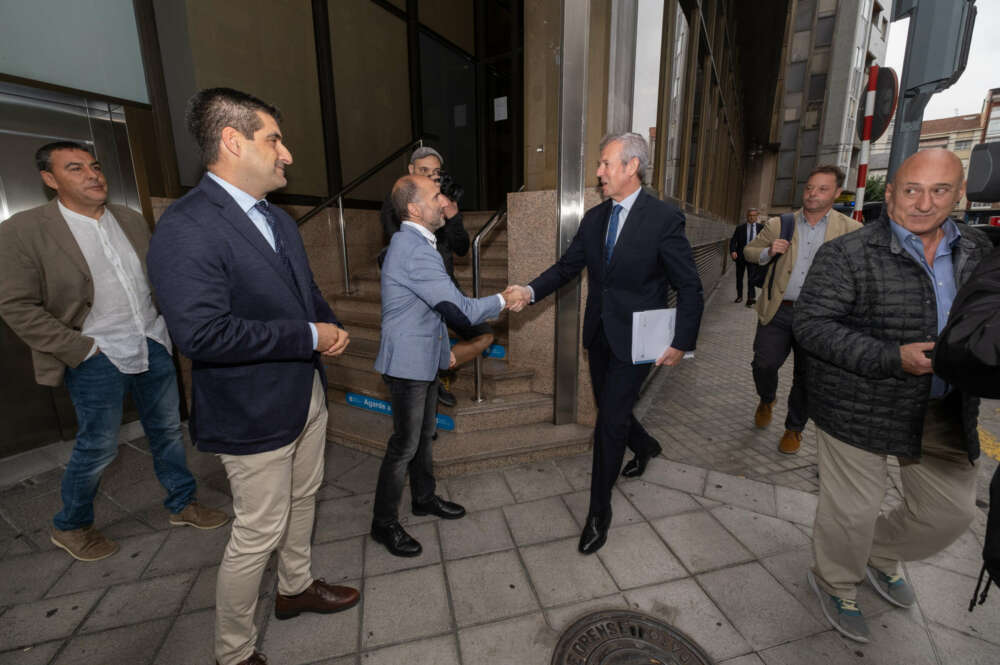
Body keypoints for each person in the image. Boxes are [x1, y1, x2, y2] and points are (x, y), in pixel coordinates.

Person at [147, 88, 359, 665]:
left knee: (305, 498)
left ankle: (294, 590)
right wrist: (307, 336)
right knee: (257, 532)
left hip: (305, 394)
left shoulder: (277, 219)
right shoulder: (187, 227)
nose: (286, 153)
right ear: (232, 141)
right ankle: (234, 653)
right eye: (274, 139)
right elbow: (202, 337)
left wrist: (329, 325)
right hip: (251, 411)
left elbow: (304, 293)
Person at [793, 149, 992, 643]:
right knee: (851, 511)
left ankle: (877, 552)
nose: (924, 203)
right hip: (857, 403)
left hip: (944, 405)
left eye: (939, 190)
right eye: (911, 190)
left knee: (951, 514)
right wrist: (891, 356)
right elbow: (813, 326)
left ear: (959, 194)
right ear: (893, 190)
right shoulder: (848, 253)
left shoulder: (980, 250)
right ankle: (836, 578)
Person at [0, 141, 227, 563]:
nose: (93, 174)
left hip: (152, 341)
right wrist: (78, 349)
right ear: (50, 180)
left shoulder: (130, 219)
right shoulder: (24, 229)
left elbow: (156, 279)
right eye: (75, 168)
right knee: (99, 445)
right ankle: (71, 525)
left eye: (95, 166)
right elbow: (14, 305)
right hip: (94, 355)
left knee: (167, 432)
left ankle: (182, 503)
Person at [505, 132, 703, 554]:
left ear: (632, 167)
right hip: (598, 335)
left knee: (609, 422)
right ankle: (646, 445)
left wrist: (681, 341)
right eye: (600, 164)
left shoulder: (663, 219)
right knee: (612, 408)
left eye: (605, 164)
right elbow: (566, 267)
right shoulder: (595, 219)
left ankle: (599, 512)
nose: (599, 172)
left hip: (638, 340)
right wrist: (529, 290)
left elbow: (689, 286)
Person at [371, 174, 506, 557]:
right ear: (414, 209)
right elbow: (458, 309)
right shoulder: (413, 249)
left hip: (425, 359)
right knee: (404, 445)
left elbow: (432, 311)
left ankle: (423, 497)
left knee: (424, 436)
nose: (443, 201)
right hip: (408, 365)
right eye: (435, 196)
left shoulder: (419, 243)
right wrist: (504, 299)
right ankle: (383, 523)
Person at [743, 166, 861, 454]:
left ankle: (794, 429)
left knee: (807, 378)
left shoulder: (851, 231)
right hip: (779, 311)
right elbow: (749, 251)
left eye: (822, 189)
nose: (812, 194)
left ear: (835, 193)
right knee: (764, 364)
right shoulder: (781, 223)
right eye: (809, 187)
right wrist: (768, 252)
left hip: (821, 319)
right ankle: (767, 398)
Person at [380, 147, 491, 407]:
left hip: (446, 284)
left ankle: (439, 370)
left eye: (436, 173)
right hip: (415, 292)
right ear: (411, 171)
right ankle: (427, 379)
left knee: (485, 334)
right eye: (423, 171)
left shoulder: (445, 203)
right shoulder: (398, 202)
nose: (431, 178)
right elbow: (397, 245)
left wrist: (451, 216)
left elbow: (462, 247)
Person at [729, 208, 763, 306]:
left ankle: (750, 298)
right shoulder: (740, 228)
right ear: (747, 216)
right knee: (739, 277)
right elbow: (733, 241)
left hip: (753, 257)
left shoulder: (761, 228)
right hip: (740, 256)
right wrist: (733, 251)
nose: (752, 217)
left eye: (754, 215)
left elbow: (765, 241)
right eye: (750, 215)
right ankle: (739, 296)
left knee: (751, 278)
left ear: (757, 216)